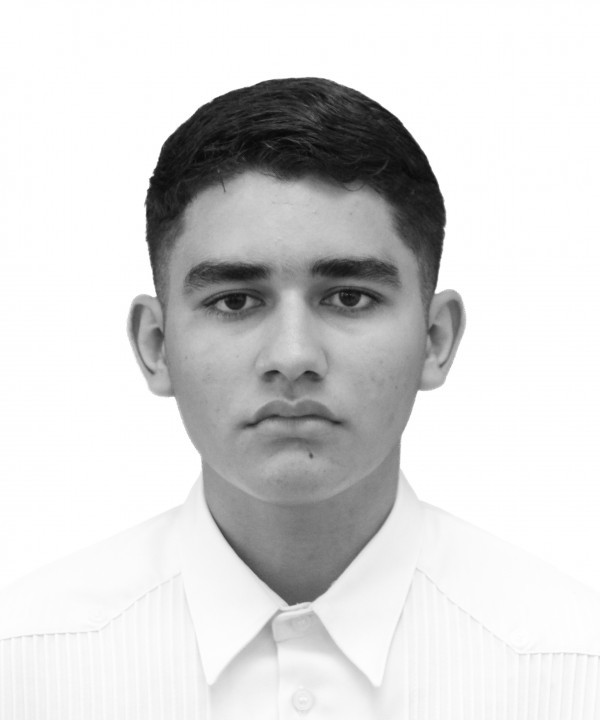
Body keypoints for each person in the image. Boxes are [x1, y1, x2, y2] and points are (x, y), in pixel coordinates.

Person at [1, 77, 599, 719]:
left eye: (349, 297)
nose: (292, 357)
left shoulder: (573, 666)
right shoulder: (24, 666)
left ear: (435, 339)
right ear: (156, 344)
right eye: (235, 301)